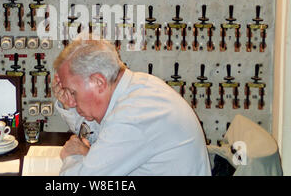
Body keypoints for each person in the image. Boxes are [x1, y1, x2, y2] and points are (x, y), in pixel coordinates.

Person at [52, 36, 211, 175]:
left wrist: (71, 157)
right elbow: (98, 134)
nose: (72, 101)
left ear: (99, 82)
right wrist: (70, 107)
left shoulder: (135, 116)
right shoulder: (137, 87)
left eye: (73, 93)